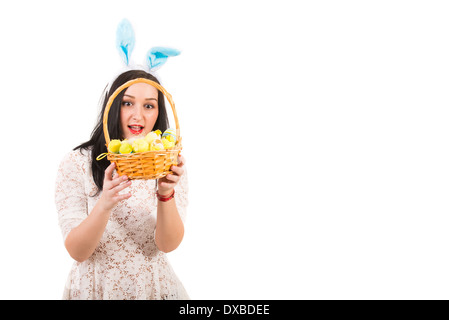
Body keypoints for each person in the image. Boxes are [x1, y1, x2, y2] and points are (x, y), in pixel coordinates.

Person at [55, 69, 189, 299]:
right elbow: (77, 251)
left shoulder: (166, 162)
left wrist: (166, 193)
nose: (138, 115)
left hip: (152, 288)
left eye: (149, 106)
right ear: (114, 106)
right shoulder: (77, 162)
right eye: (128, 103)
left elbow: (167, 245)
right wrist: (105, 204)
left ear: (159, 112)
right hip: (95, 288)